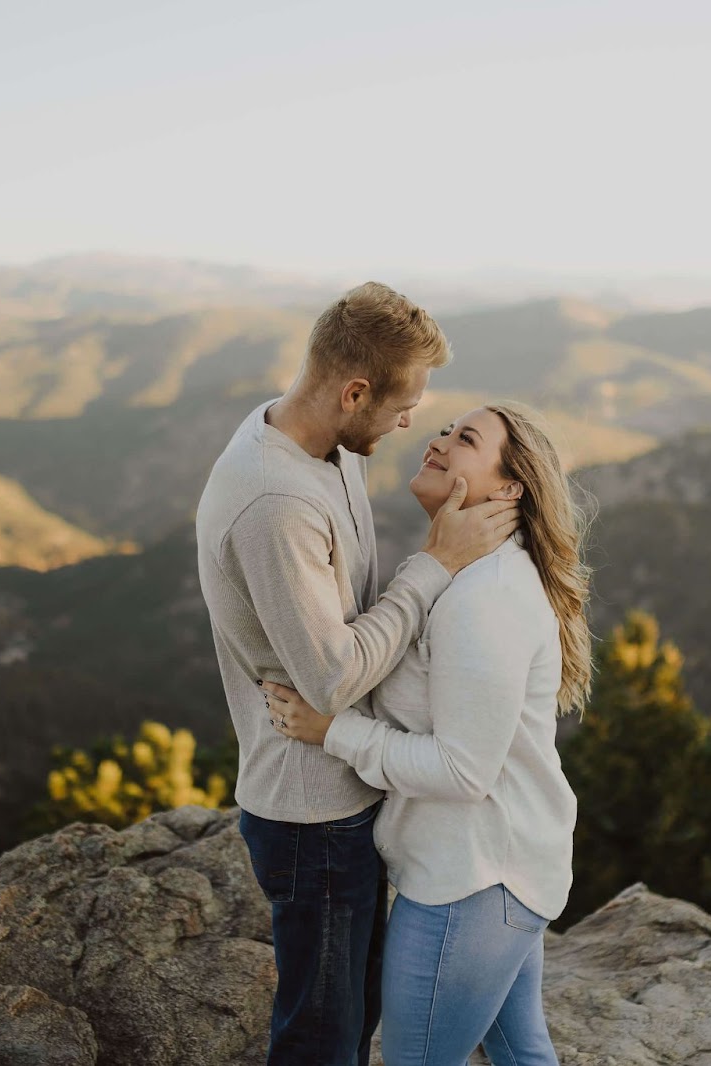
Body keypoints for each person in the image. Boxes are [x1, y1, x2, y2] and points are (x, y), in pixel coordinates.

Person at [195, 282, 520, 1066]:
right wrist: (438, 563)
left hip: (345, 787)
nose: (413, 424)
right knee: (322, 1038)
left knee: (349, 1015)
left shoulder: (325, 448)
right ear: (353, 391)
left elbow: (352, 613)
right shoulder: (275, 500)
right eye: (402, 404)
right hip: (313, 813)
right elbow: (333, 676)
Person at [266, 400, 590, 1066]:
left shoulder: (487, 596)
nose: (439, 440)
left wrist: (333, 732)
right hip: (498, 870)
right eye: (446, 428)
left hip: (471, 885)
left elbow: (462, 770)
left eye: (466, 438)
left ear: (508, 489)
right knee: (522, 1053)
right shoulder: (469, 575)